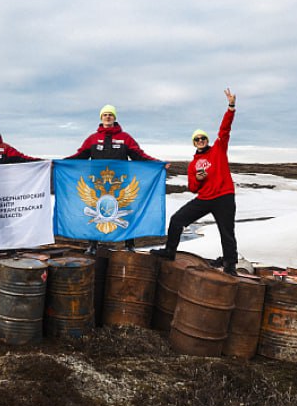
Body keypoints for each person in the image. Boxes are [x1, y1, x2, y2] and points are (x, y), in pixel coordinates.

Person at [151, 89, 238, 275]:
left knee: (227, 232)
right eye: (197, 139)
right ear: (194, 143)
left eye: (203, 138)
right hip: (205, 198)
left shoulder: (219, 149)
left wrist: (231, 107)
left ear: (207, 140)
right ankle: (169, 251)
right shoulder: (192, 165)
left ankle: (230, 266)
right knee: (177, 220)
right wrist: (198, 180)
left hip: (224, 197)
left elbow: (225, 129)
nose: (200, 140)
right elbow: (192, 188)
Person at [66, 104, 167, 254]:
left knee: (126, 211)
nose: (108, 117)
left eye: (110, 115)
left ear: (114, 118)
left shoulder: (125, 138)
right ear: (101, 118)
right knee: (96, 210)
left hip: (120, 183)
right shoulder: (93, 139)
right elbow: (80, 156)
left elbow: (139, 155)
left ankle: (129, 244)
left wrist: (158, 164)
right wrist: (61, 163)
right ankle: (93, 245)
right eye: (105, 114)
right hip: (97, 182)